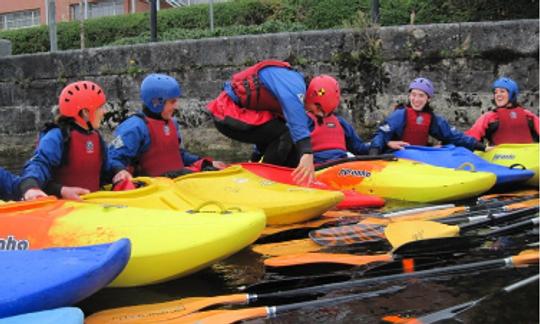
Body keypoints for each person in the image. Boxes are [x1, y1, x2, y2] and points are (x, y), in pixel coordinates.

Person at [207, 60, 339, 185]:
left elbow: (267, 130)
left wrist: (254, 159)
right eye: (319, 110)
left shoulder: (294, 92)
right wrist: (307, 153)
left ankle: (291, 182)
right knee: (285, 135)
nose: (315, 114)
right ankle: (262, 183)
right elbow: (292, 119)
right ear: (315, 95)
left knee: (290, 141)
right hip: (226, 111)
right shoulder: (294, 85)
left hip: (244, 116)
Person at [108, 73, 225, 182]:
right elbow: (112, 159)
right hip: (152, 190)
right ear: (156, 103)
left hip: (177, 184)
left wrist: (205, 163)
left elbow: (178, 154)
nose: (176, 106)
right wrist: (120, 170)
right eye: (172, 102)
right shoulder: (135, 127)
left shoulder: (172, 122)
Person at [19, 81, 124, 201]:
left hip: (93, 206)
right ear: (85, 113)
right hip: (63, 208)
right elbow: (37, 166)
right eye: (100, 107)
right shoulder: (57, 137)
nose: (104, 112)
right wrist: (31, 187)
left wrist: (119, 171)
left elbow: (107, 166)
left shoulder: (95, 136)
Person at [369, 77, 486, 154]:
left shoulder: (432, 119)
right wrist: (374, 153)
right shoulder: (400, 114)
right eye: (413, 95)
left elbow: (454, 136)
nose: (416, 99)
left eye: (421, 96)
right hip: (398, 156)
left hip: (419, 158)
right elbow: (381, 134)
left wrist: (481, 146)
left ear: (428, 98)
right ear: (409, 96)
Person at [303, 75, 370, 163]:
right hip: (317, 165)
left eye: (322, 110)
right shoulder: (304, 120)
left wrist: (380, 143)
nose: (320, 113)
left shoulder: (340, 122)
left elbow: (359, 148)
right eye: (318, 107)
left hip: (341, 162)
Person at [466, 77, 539, 145]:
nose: (498, 95)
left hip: (526, 156)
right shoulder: (488, 117)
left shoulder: (528, 115)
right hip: (499, 157)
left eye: (502, 91)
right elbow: (471, 138)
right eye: (496, 92)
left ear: (512, 94)